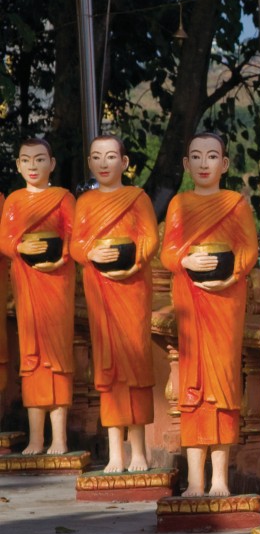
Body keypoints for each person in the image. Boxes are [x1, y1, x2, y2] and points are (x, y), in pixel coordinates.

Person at [160, 131, 258, 497]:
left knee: (223, 387)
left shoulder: (235, 204)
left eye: (212, 156)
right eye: (196, 157)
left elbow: (248, 251)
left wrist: (230, 273)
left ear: (225, 164)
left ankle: (219, 479)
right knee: (192, 388)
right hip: (190, 298)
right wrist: (184, 258)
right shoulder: (178, 204)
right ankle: (195, 480)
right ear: (186, 164)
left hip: (225, 301)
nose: (204, 164)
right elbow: (168, 251)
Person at [71, 135, 159, 473]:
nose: (104, 163)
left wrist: (132, 259)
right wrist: (91, 253)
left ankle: (138, 450)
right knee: (108, 369)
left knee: (135, 365)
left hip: (132, 287)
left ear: (124, 163)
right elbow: (77, 243)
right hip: (100, 287)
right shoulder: (86, 202)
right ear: (91, 163)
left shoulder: (137, 198)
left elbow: (150, 238)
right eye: (97, 157)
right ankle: (115, 453)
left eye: (111, 156)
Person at [1, 138, 75, 455]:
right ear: (18, 165)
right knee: (32, 359)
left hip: (56, 279)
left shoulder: (63, 198)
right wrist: (18, 246)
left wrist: (64, 253)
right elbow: (4, 239)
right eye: (26, 160)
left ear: (52, 164)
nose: (33, 167)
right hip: (27, 279)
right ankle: (35, 438)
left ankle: (58, 439)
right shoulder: (14, 200)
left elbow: (75, 235)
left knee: (57, 357)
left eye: (39, 160)